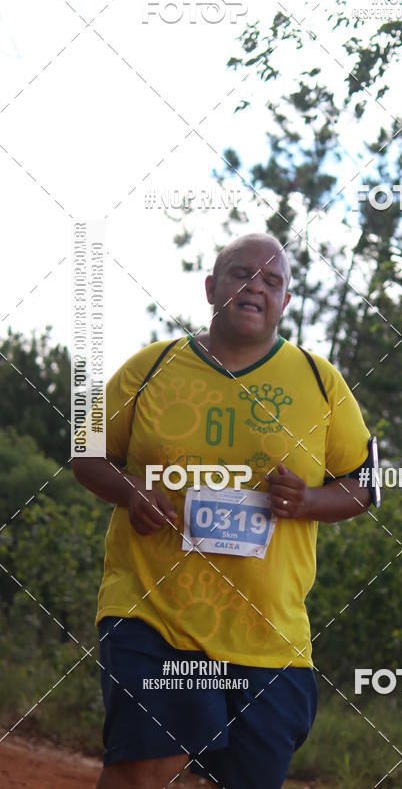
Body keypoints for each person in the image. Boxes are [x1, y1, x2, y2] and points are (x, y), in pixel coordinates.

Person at [72, 232, 378, 789]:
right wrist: (130, 491)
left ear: (286, 302)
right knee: (145, 771)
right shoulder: (152, 367)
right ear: (212, 287)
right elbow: (86, 453)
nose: (254, 287)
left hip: (270, 633)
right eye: (240, 274)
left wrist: (309, 501)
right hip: (154, 611)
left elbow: (366, 483)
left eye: (271, 280)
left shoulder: (320, 381)